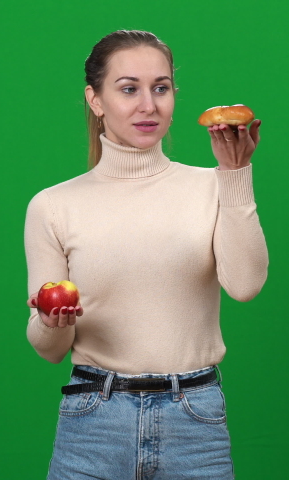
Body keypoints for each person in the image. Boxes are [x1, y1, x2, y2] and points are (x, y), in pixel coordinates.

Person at [24, 29, 268, 480]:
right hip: (93, 421)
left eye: (160, 88)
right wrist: (51, 322)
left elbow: (246, 285)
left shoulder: (212, 185)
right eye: (128, 89)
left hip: (194, 418)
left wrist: (235, 174)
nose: (148, 105)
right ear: (95, 100)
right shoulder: (53, 206)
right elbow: (50, 350)